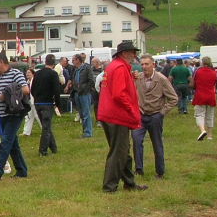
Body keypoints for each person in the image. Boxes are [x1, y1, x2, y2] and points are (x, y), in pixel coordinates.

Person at [96, 41, 145, 193]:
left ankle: (129, 183)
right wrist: (131, 110)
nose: (135, 56)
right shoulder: (119, 67)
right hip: (116, 115)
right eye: (132, 52)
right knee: (119, 151)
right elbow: (119, 94)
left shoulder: (115, 66)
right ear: (124, 53)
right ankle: (109, 186)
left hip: (109, 113)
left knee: (123, 150)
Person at [0, 52, 29, 180]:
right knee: (13, 144)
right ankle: (22, 171)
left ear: (2, 62)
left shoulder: (16, 74)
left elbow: (25, 90)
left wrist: (8, 93)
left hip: (15, 113)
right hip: (3, 115)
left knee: (6, 140)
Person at [132, 54, 178, 179]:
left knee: (157, 143)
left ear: (153, 65)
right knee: (136, 140)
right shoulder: (138, 78)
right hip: (141, 115)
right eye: (142, 64)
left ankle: (160, 171)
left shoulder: (161, 79)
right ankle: (139, 169)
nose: (144, 66)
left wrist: (162, 112)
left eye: (146, 64)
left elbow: (173, 98)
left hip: (155, 115)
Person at [30, 54, 61, 156]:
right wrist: (57, 103)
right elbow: (57, 90)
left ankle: (54, 148)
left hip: (37, 103)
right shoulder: (53, 74)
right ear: (54, 63)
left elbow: (32, 89)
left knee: (46, 126)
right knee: (46, 128)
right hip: (47, 103)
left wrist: (37, 98)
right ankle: (42, 151)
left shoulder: (38, 74)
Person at [190, 55, 217, 141]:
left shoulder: (198, 71)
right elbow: (215, 85)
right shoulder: (214, 72)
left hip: (200, 95)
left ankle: (202, 130)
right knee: (210, 116)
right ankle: (210, 135)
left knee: (199, 114)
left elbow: (192, 84)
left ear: (202, 62)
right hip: (211, 95)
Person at [71, 53, 95, 138]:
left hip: (85, 93)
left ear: (78, 60)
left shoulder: (86, 68)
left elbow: (91, 80)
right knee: (81, 113)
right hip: (77, 93)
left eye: (73, 60)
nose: (72, 61)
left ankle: (88, 132)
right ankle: (85, 131)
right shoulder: (75, 69)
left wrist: (85, 89)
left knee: (86, 113)